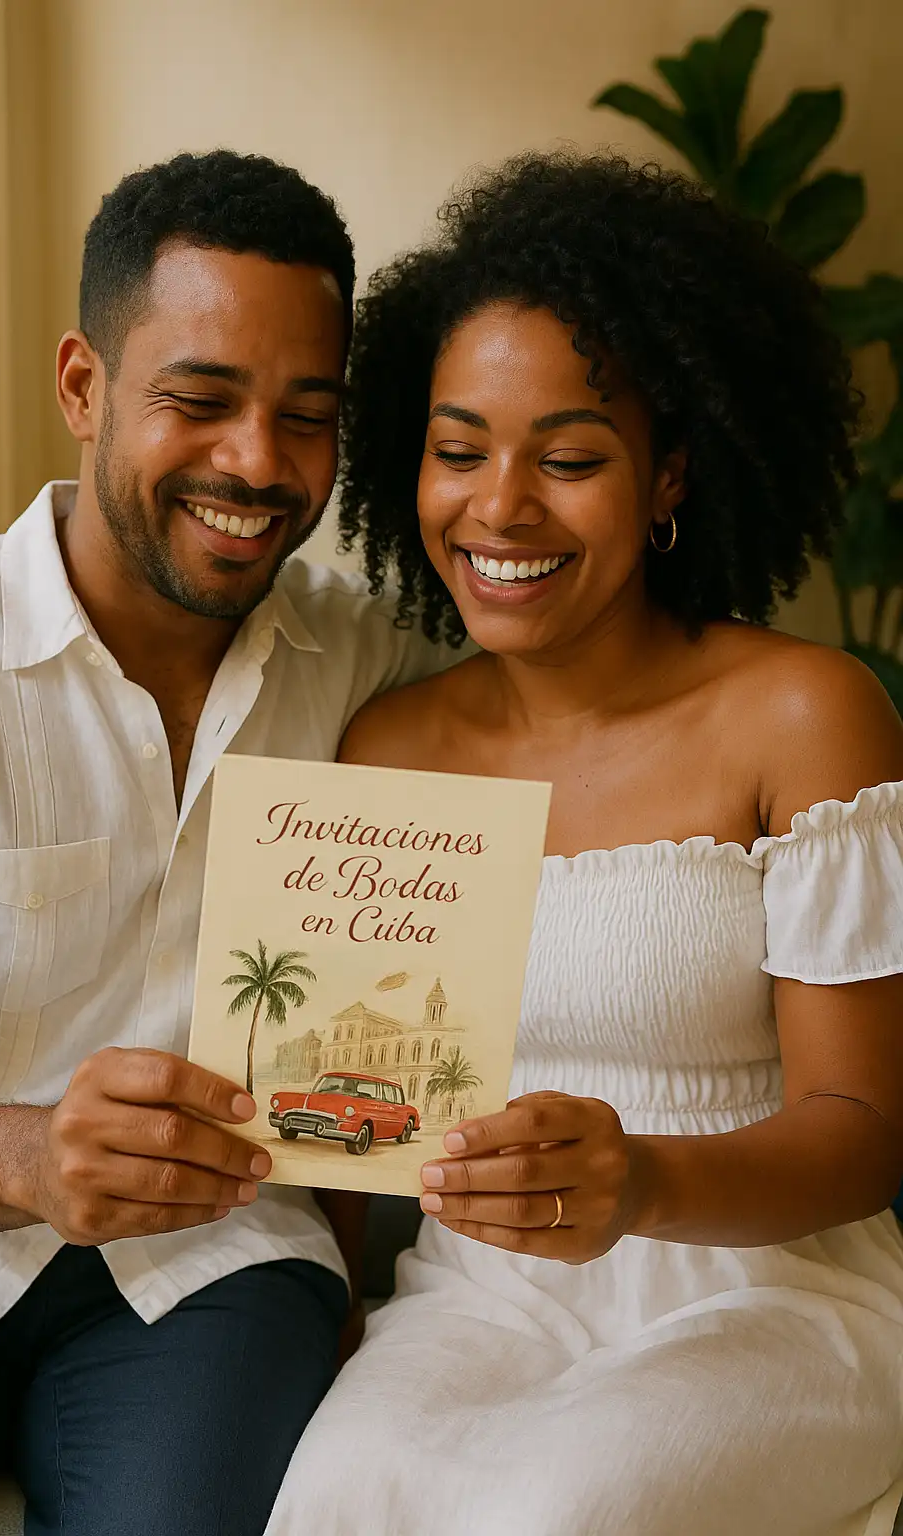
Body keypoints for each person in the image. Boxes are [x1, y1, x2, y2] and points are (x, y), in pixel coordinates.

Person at [265, 153, 903, 1536]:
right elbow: (347, 1147)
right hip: (482, 1297)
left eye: (568, 458)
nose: (500, 509)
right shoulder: (388, 749)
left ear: (668, 470)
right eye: (456, 450)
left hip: (771, 1294)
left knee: (551, 1513)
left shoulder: (803, 717)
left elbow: (866, 1133)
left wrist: (650, 1182)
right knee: (334, 1496)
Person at [0, 148, 458, 1536]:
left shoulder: (386, 670)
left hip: (220, 1271)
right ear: (83, 387)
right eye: (199, 402)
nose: (257, 465)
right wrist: (22, 1157)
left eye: (307, 417)